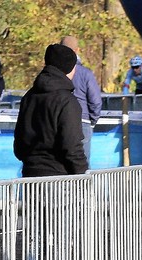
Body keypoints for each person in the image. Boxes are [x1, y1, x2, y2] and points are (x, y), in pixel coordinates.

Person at [13, 44, 88, 177]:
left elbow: (19, 141)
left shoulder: (29, 97)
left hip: (30, 174)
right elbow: (72, 146)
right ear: (70, 68)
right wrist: (82, 174)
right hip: (59, 178)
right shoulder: (67, 102)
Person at [60, 36, 102, 165]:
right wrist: (91, 121)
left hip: (59, 121)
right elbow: (95, 101)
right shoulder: (85, 73)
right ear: (77, 50)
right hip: (82, 121)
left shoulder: (53, 72)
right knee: (81, 164)